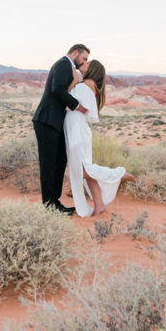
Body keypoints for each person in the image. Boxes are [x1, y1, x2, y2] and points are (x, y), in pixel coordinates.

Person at [63, 62, 129, 219]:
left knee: (84, 171)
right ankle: (99, 205)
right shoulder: (86, 84)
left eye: (88, 62)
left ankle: (119, 173)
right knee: (86, 169)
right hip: (76, 129)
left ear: (93, 69)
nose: (84, 63)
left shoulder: (86, 84)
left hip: (77, 130)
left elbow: (70, 101)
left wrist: (73, 81)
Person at [32, 45, 92, 211]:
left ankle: (55, 202)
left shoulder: (68, 67)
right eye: (84, 58)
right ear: (75, 53)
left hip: (55, 122)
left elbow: (64, 90)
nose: (84, 61)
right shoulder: (63, 64)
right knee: (49, 164)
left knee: (59, 161)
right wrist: (78, 106)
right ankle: (50, 206)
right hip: (47, 121)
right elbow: (57, 90)